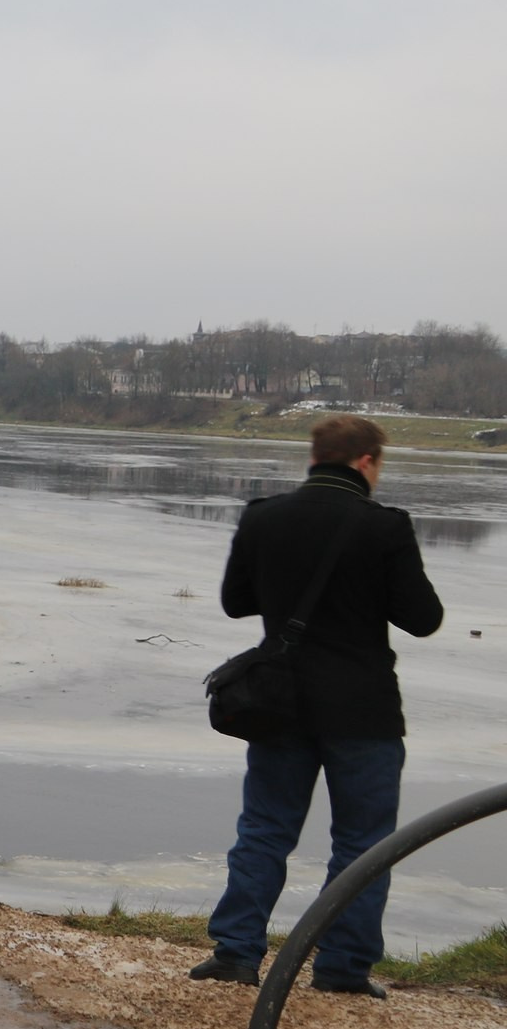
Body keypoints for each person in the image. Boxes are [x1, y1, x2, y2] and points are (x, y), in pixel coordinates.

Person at [193, 415, 443, 997]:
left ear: (316, 457)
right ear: (366, 462)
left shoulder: (263, 516)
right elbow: (424, 619)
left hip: (278, 705)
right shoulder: (385, 528)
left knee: (264, 829)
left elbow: (235, 602)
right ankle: (342, 968)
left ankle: (235, 954)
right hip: (365, 712)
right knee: (363, 844)